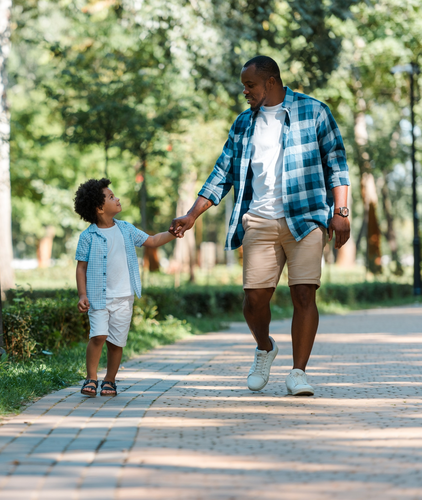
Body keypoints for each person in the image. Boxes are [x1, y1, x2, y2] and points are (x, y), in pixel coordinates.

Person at [169, 56, 350, 396]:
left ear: (270, 82)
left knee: (304, 293)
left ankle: (298, 373)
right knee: (254, 299)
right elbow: (221, 173)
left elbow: (336, 162)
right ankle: (265, 347)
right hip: (259, 219)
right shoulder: (243, 124)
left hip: (307, 216)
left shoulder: (315, 112)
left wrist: (340, 211)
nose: (245, 91)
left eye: (249, 85)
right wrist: (192, 214)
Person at [74, 178, 176, 397]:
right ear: (100, 208)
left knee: (116, 342)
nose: (117, 198)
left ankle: (109, 381)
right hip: (98, 298)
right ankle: (91, 377)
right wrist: (82, 294)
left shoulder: (126, 229)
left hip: (124, 297)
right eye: (111, 197)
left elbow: (152, 240)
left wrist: (173, 232)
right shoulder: (87, 236)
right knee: (98, 336)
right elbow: (81, 268)